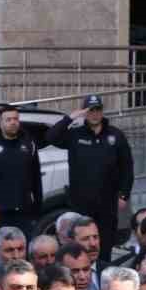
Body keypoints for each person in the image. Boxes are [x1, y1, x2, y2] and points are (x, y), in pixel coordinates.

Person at [46, 94, 134, 251]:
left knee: (105, 245)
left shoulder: (116, 135)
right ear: (85, 112)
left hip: (108, 202)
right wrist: (70, 118)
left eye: (97, 109)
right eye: (90, 110)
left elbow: (127, 167)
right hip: (81, 202)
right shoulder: (75, 134)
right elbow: (51, 137)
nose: (94, 113)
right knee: (81, 245)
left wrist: (124, 194)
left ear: (102, 111)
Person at [0, 107, 43, 236]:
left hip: (24, 211)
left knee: (23, 249)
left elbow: (36, 180)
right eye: (8, 120)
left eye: (16, 119)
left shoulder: (30, 146)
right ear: (0, 123)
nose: (13, 122)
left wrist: (37, 209)